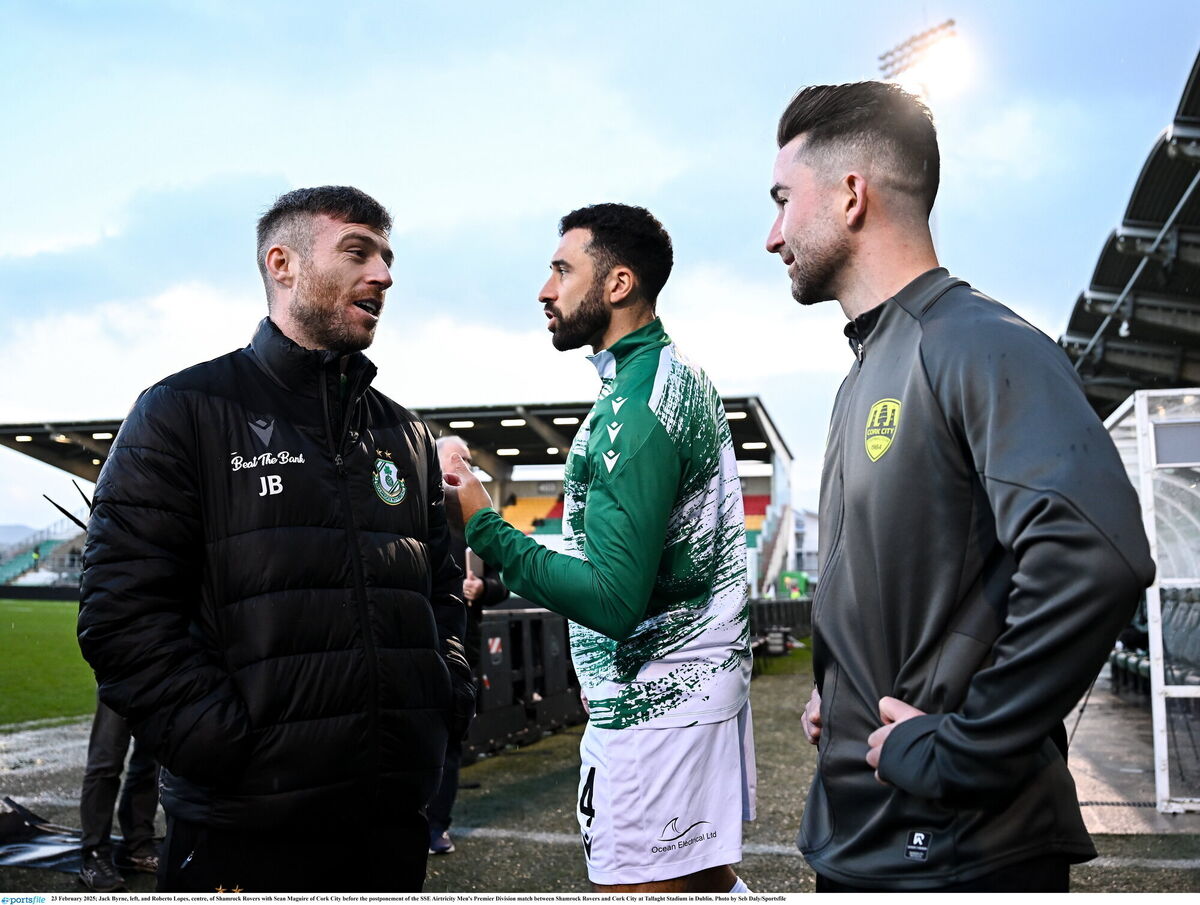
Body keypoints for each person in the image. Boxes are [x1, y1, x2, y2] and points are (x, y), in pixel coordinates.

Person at [764, 81, 1155, 892]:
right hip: (866, 836)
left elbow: (1095, 552)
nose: (772, 236)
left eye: (781, 200)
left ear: (850, 194)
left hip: (957, 852)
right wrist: (839, 698)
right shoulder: (865, 372)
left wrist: (966, 745)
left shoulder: (976, 341)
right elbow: (911, 589)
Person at [78, 186, 473, 893]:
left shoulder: (404, 433)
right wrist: (228, 744)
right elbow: (122, 615)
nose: (382, 274)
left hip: (387, 824)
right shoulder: (183, 412)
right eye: (357, 251)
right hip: (244, 827)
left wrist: (443, 701)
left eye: (386, 257)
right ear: (282, 263)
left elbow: (440, 591)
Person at [443, 203, 755, 893]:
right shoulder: (672, 374)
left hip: (659, 703)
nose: (545, 289)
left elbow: (615, 600)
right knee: (703, 880)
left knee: (640, 886)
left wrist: (485, 525)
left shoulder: (634, 406)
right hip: (688, 691)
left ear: (617, 285)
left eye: (561, 269)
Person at [427, 435, 509, 855]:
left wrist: (482, 588)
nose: (464, 466)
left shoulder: (479, 518)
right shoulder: (412, 511)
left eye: (468, 459)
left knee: (451, 738)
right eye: (456, 458)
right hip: (419, 643)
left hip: (463, 646)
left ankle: (438, 825)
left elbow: (504, 581)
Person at [77, 698, 159, 892]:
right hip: (121, 674)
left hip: (162, 678)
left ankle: (137, 846)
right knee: (106, 762)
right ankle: (94, 854)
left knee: (151, 762)